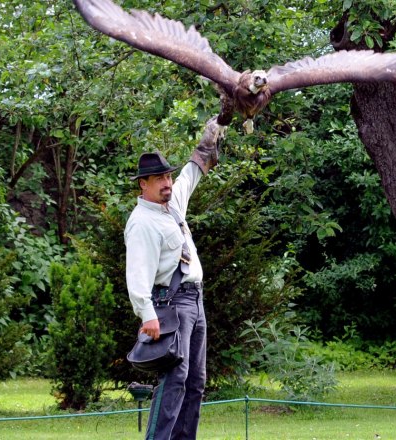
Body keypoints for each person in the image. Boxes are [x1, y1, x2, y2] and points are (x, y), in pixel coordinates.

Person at [124, 117, 223, 440]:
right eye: (158, 178)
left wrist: (214, 132)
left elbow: (191, 175)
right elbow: (137, 273)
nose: (167, 182)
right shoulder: (141, 223)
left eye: (167, 175)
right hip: (170, 304)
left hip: (195, 300)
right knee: (174, 380)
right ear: (143, 184)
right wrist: (147, 315)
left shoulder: (171, 205)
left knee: (195, 382)